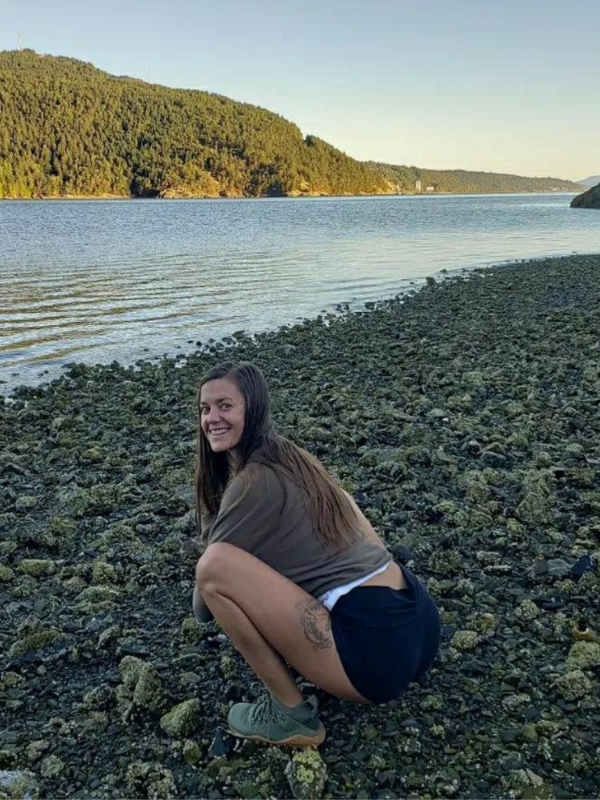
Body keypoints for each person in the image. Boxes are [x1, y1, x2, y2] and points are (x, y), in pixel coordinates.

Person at [193, 361, 440, 747]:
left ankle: (290, 715)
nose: (212, 419)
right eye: (205, 409)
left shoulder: (251, 482)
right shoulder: (292, 458)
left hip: (373, 654)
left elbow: (202, 608)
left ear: (253, 408)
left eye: (225, 406)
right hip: (419, 622)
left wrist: (216, 527)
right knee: (341, 498)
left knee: (213, 568)